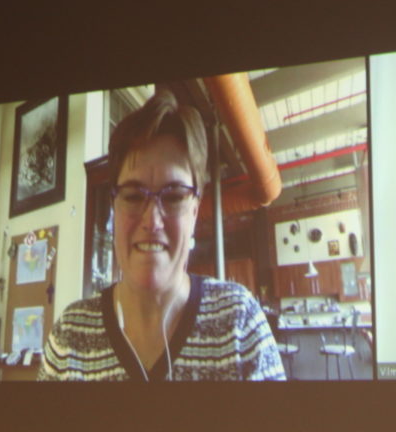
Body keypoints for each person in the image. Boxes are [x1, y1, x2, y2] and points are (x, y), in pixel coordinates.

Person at [39, 90, 285, 381]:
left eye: (173, 196)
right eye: (133, 196)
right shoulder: (69, 336)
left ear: (194, 212)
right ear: (114, 207)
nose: (152, 221)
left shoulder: (240, 323)